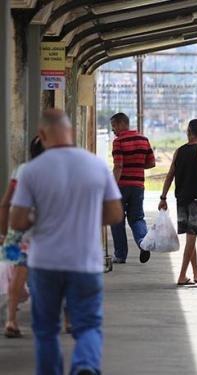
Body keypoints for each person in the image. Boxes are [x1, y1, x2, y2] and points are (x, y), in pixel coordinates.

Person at [9, 109, 123, 375]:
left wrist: (38, 217)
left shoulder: (32, 171)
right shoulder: (96, 166)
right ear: (71, 133)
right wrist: (85, 217)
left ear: (42, 135)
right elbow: (115, 214)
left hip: (45, 263)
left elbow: (17, 221)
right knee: (88, 326)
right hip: (85, 262)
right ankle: (85, 365)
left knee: (46, 330)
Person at [159, 119, 197, 286]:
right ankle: (182, 275)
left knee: (190, 238)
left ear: (188, 132)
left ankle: (196, 272)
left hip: (181, 200)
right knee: (191, 239)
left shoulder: (179, 151)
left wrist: (163, 197)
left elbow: (170, 175)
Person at [0, 136, 43, 338]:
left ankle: (11, 320)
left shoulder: (21, 170)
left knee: (17, 272)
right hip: (45, 230)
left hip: (17, 228)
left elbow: (5, 203)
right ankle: (63, 320)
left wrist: (3, 232)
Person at [110, 112, 155, 264]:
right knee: (137, 217)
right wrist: (136, 165)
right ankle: (143, 242)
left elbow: (118, 166)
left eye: (114, 126)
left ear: (122, 124)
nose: (113, 130)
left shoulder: (118, 142)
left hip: (121, 186)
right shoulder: (144, 139)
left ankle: (120, 255)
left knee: (117, 220)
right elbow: (151, 163)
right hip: (138, 186)